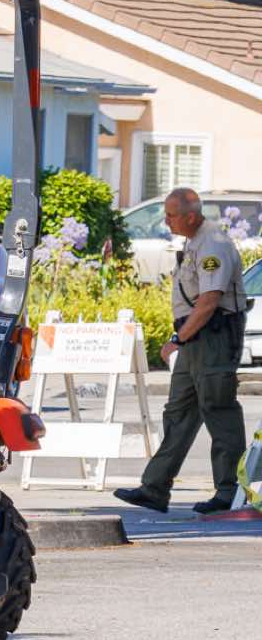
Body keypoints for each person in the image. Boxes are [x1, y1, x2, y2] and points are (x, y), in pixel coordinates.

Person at [115, 188, 247, 514]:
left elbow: (210, 300)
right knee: (179, 412)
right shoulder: (194, 241)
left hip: (214, 336)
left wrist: (179, 338)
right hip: (197, 337)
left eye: (172, 215)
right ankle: (154, 488)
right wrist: (185, 337)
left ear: (191, 215)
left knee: (218, 409)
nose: (166, 220)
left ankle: (230, 492)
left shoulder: (212, 243)